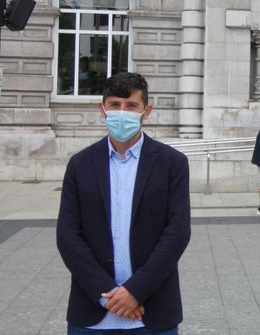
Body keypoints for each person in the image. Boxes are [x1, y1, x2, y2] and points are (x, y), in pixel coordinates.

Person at [56, 72, 191, 334]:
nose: (122, 112)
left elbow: (177, 233)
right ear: (102, 109)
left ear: (146, 111)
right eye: (114, 105)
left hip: (152, 312)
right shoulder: (80, 164)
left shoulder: (172, 163)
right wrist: (108, 296)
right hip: (92, 312)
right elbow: (68, 235)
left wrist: (134, 291)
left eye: (131, 106)